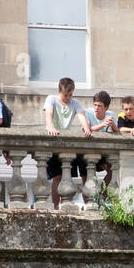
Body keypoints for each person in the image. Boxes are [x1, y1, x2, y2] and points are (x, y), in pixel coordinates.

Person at [42, 77, 93, 208]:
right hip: (53, 141)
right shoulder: (51, 99)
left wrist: (86, 128)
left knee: (67, 177)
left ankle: (65, 204)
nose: (68, 97)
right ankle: (54, 206)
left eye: (70, 95)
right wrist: (51, 128)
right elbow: (49, 114)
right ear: (60, 90)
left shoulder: (75, 103)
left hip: (67, 144)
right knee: (57, 177)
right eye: (66, 95)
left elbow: (81, 116)